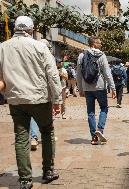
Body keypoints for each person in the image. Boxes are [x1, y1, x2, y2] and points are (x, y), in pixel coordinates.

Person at [0, 16, 62, 188]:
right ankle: (48, 171)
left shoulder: (2, 48)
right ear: (31, 29)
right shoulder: (40, 46)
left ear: (15, 29)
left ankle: (25, 180)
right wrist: (57, 99)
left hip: (15, 99)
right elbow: (53, 75)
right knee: (47, 131)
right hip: (39, 98)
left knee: (21, 138)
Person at [77, 36, 116, 145]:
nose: (101, 45)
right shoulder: (101, 55)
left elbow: (78, 74)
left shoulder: (81, 55)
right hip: (100, 87)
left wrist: (80, 88)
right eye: (99, 43)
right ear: (93, 44)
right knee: (104, 108)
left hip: (87, 87)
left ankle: (94, 138)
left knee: (90, 112)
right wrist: (113, 88)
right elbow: (107, 73)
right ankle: (100, 129)